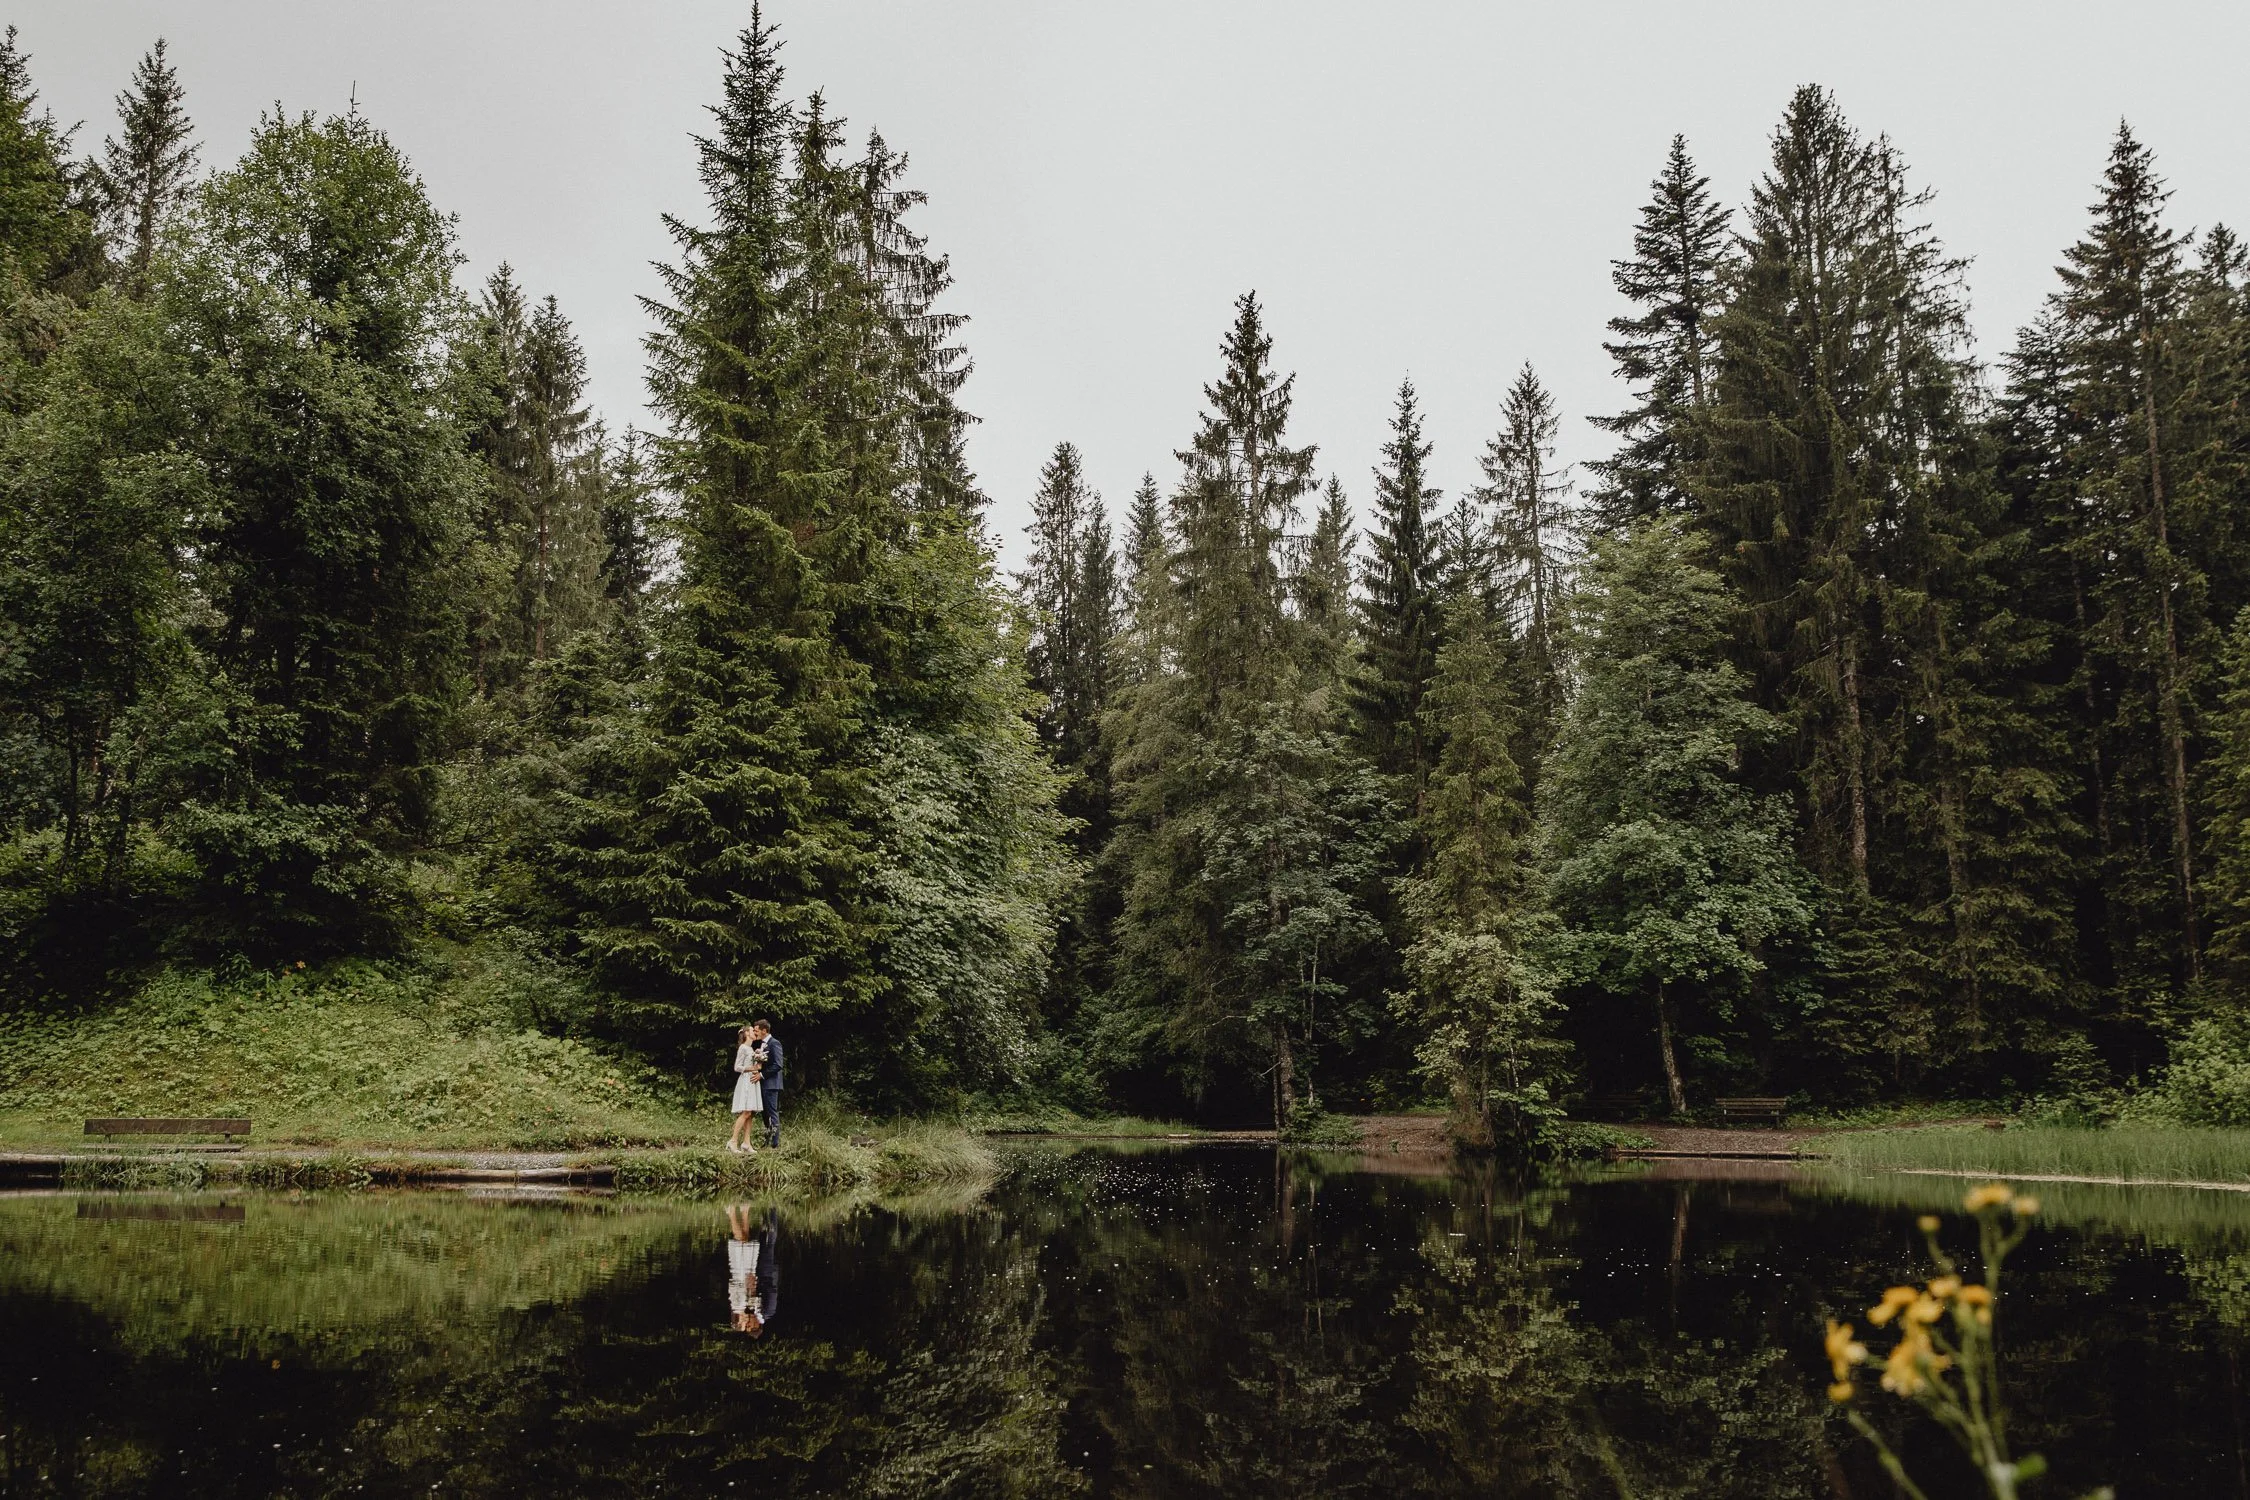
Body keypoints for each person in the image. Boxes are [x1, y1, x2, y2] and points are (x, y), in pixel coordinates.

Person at [724, 1203, 765, 1336]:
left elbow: (733, 1287)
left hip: (739, 1273)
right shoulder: (751, 1309)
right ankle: (744, 1212)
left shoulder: (737, 1305)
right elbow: (755, 1295)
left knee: (740, 1241)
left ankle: (731, 1213)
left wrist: (746, 1288)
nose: (746, 1322)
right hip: (749, 1275)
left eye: (744, 1324)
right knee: (747, 1242)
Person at [727, 1025, 763, 1154]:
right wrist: (751, 1069)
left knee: (750, 1113)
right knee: (746, 1112)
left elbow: (755, 1066)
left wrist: (759, 1062)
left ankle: (746, 1143)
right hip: (746, 1081)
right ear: (747, 1033)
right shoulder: (743, 1048)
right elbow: (737, 1067)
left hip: (753, 1081)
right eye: (753, 1030)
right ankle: (733, 1141)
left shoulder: (751, 1048)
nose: (755, 1032)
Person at [750, 1020, 784, 1148]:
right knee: (765, 1115)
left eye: (756, 1030)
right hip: (764, 1084)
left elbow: (778, 1065)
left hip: (771, 1084)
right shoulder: (763, 1045)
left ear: (764, 1030)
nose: (755, 1032)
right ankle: (766, 1142)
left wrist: (762, 1075)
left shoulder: (774, 1043)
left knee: (772, 1113)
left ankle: (775, 1144)